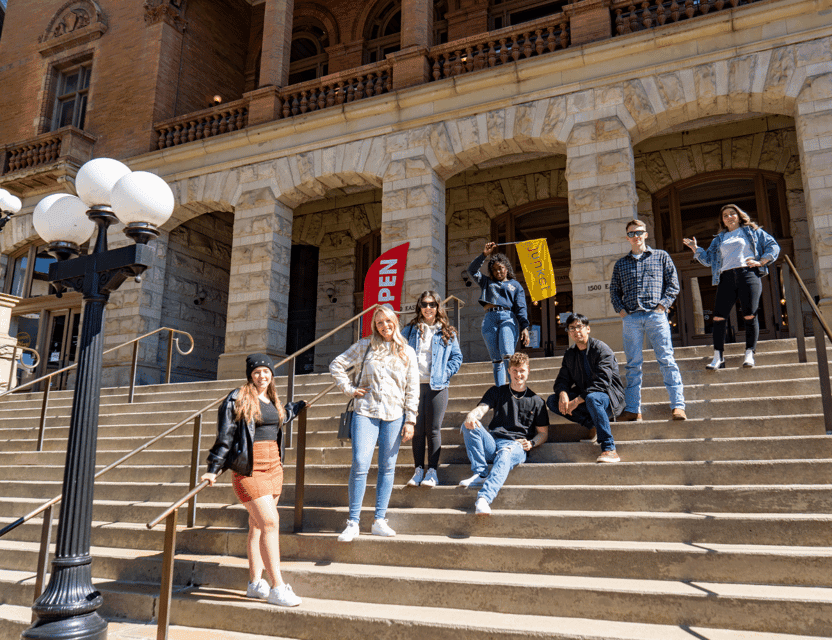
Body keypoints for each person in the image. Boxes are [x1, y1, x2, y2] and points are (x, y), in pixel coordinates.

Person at [201, 354, 304, 607]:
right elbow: (225, 435)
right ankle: (278, 587)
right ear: (250, 375)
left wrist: (297, 407)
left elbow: (279, 419)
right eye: (256, 372)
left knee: (257, 526)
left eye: (266, 371)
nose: (262, 376)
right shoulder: (237, 398)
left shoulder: (273, 399)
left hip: (274, 467)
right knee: (270, 522)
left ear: (272, 374)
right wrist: (213, 468)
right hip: (250, 470)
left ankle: (255, 583)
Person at [329, 304, 419, 541]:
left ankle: (379, 519)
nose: (385, 326)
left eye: (388, 321)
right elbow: (336, 365)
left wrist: (411, 419)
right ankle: (353, 522)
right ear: (374, 326)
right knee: (360, 464)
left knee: (387, 468)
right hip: (366, 412)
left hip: (395, 415)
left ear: (395, 322)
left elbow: (413, 389)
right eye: (379, 322)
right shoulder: (365, 345)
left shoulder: (407, 351)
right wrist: (349, 389)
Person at [683, 204, 780, 369]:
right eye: (725, 215)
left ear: (739, 216)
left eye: (732, 214)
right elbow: (707, 260)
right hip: (726, 276)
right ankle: (718, 357)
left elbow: (774, 246)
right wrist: (695, 249)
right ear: (722, 220)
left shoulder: (752, 231)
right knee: (718, 318)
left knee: (749, 315)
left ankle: (749, 353)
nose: (729, 217)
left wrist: (761, 261)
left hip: (747, 274)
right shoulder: (719, 239)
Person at [610, 219, 687, 421]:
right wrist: (622, 312)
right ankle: (634, 409)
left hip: (656, 315)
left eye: (639, 232)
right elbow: (614, 291)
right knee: (633, 365)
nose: (636, 236)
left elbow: (673, 284)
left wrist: (662, 306)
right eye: (632, 233)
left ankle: (678, 406)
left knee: (667, 360)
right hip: (631, 319)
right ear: (627, 238)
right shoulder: (621, 264)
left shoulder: (661, 256)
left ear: (645, 234)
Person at [459, 352, 549, 515]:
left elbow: (543, 433)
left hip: (516, 446)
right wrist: (472, 415)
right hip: (493, 443)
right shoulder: (497, 392)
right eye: (514, 370)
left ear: (528, 371)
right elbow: (482, 409)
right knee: (468, 425)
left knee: (505, 453)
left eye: (521, 370)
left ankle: (484, 499)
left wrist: (532, 443)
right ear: (508, 371)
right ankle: (481, 473)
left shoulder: (537, 401)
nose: (518, 375)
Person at [401, 291, 463, 488]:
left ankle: (432, 472)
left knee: (433, 430)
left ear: (438, 307)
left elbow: (457, 357)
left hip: (437, 386)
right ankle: (418, 469)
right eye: (425, 304)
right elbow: (397, 349)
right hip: (414, 386)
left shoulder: (448, 331)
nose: (429, 308)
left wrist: (445, 374)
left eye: (433, 304)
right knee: (417, 430)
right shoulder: (410, 330)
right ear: (420, 306)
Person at [547, 313, 625, 463]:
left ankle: (610, 449)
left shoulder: (601, 349)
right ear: (569, 333)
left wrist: (576, 401)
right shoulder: (570, 354)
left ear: (588, 329)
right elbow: (562, 379)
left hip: (608, 398)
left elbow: (602, 382)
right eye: (572, 328)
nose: (576, 331)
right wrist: (563, 393)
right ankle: (593, 425)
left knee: (592, 397)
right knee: (552, 401)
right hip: (587, 400)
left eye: (579, 327)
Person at [468, 241, 531, 387]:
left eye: (501, 268)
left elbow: (521, 307)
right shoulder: (487, 282)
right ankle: (501, 392)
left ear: (507, 268)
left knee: (507, 356)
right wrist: (484, 255)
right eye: (495, 269)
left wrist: (524, 327)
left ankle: (514, 388)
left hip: (507, 318)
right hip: (489, 319)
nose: (498, 272)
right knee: (496, 360)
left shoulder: (515, 285)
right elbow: (471, 270)